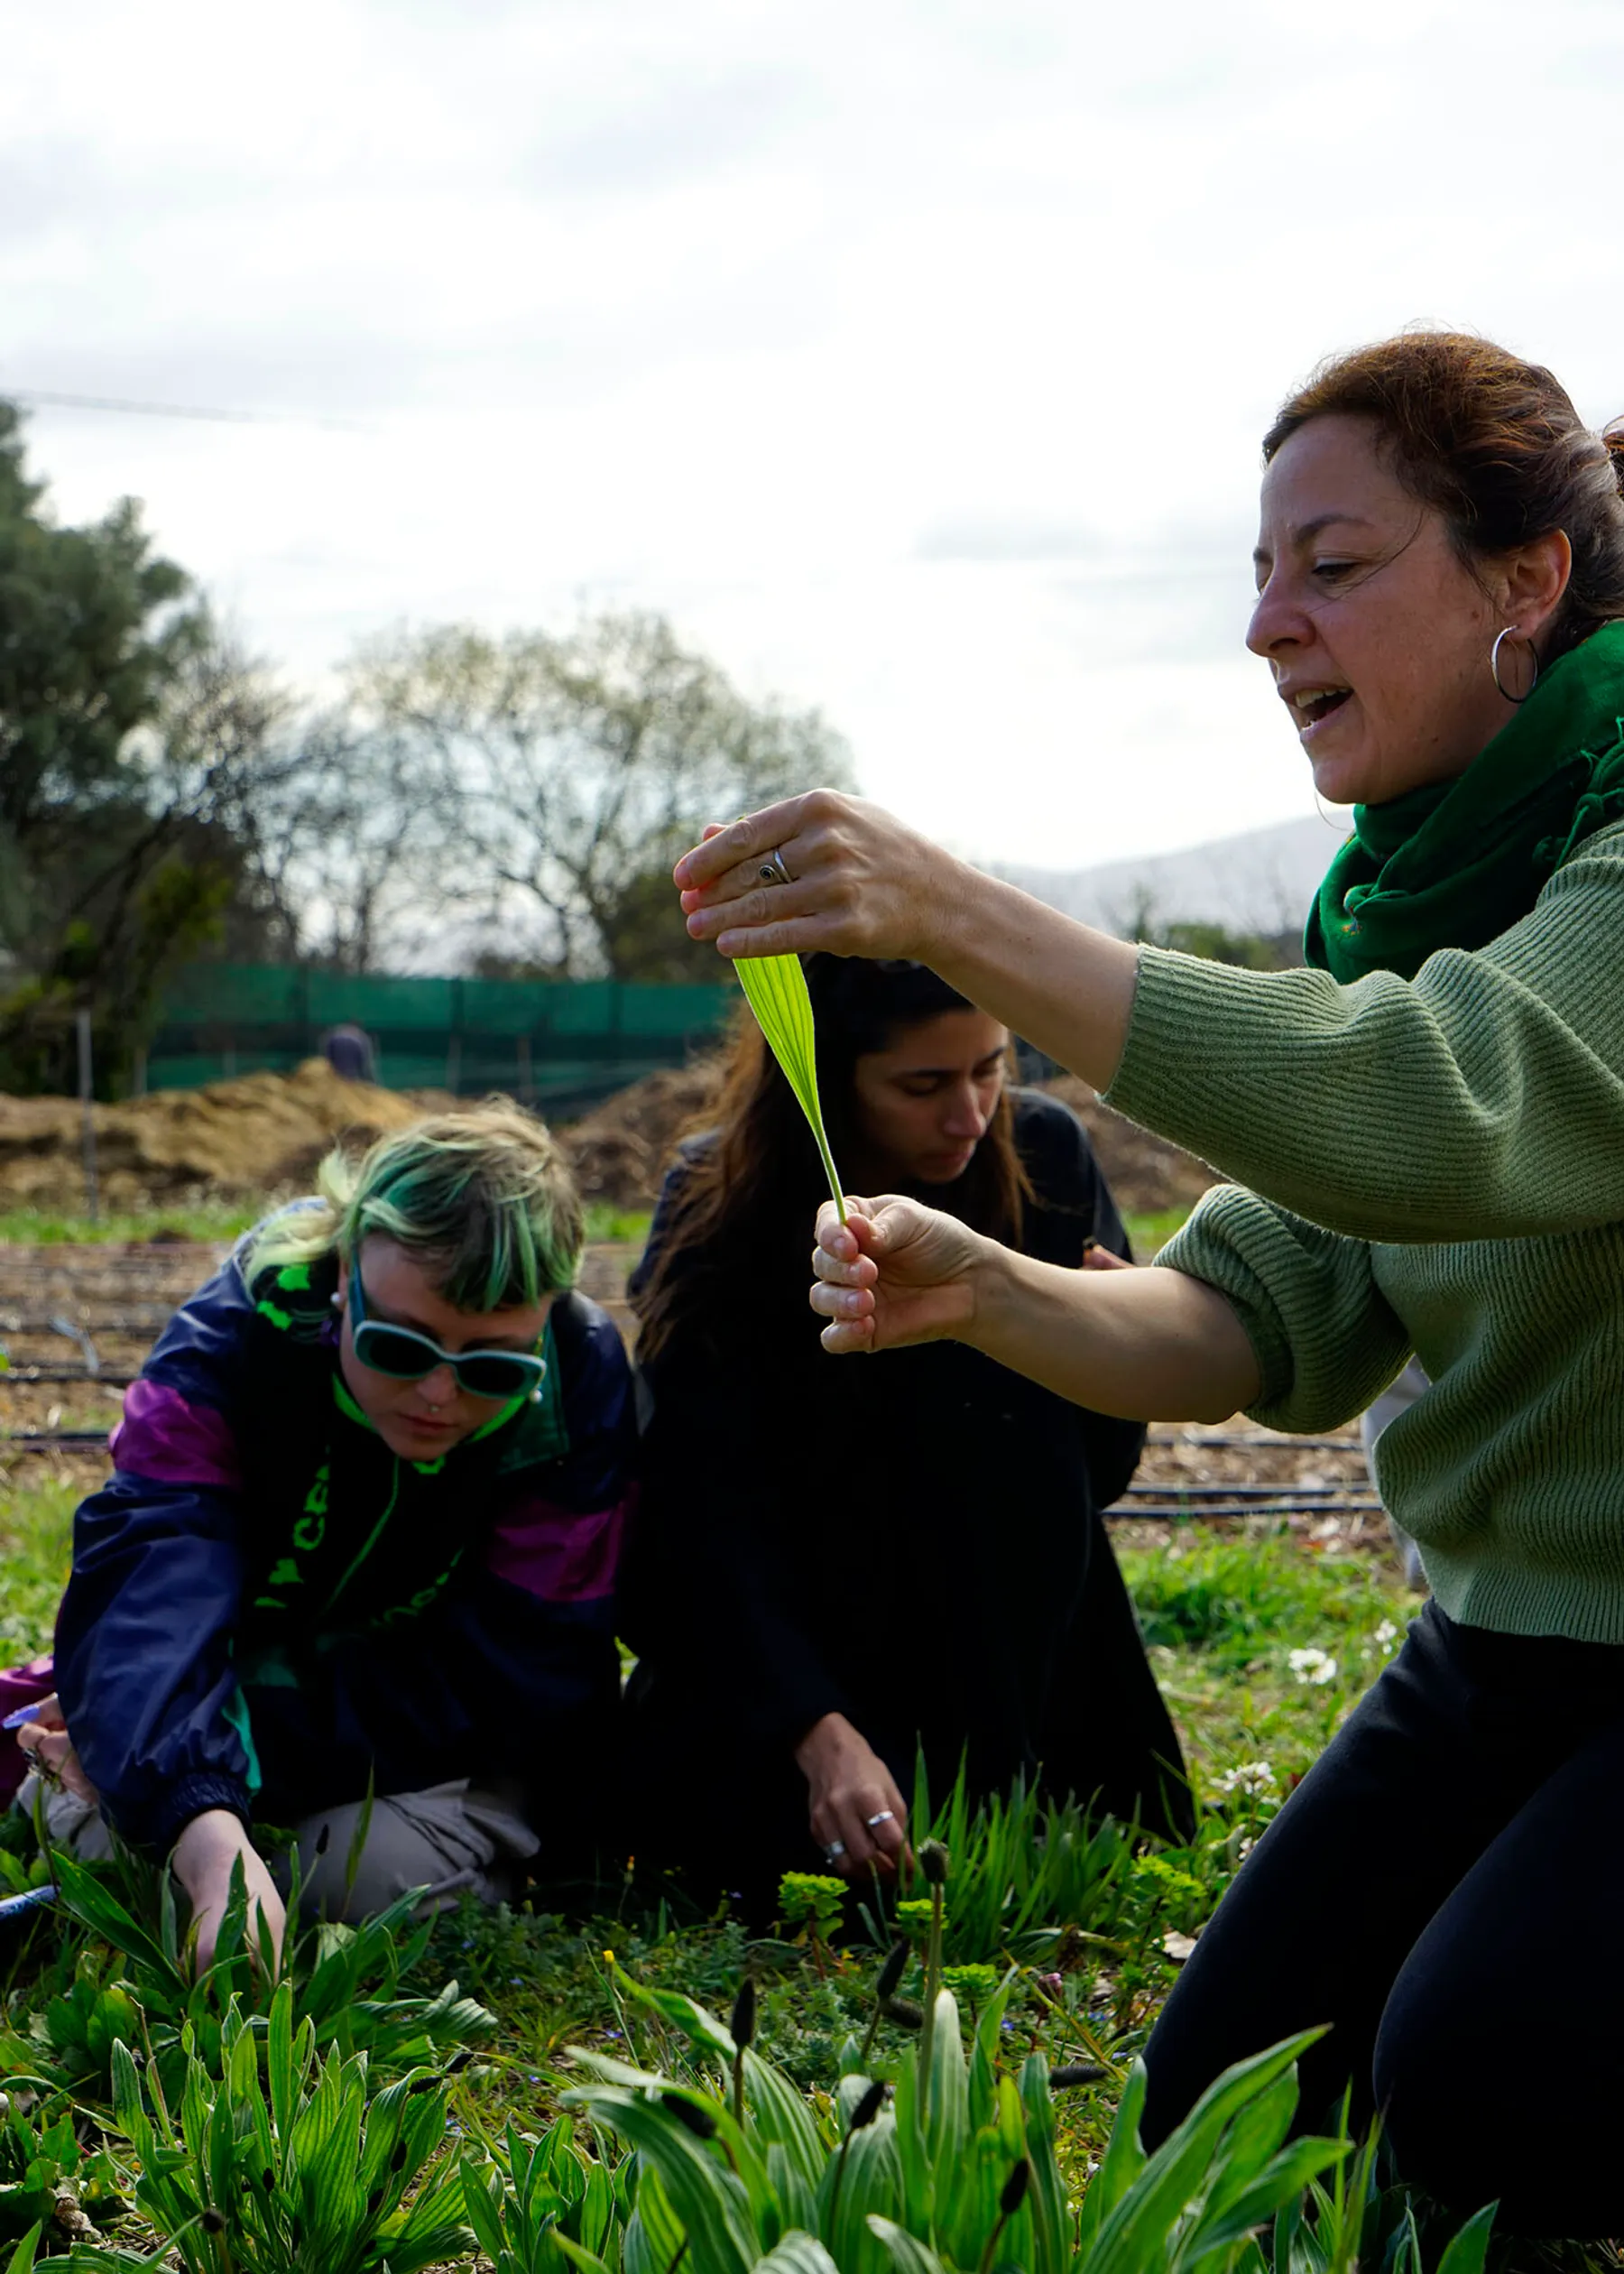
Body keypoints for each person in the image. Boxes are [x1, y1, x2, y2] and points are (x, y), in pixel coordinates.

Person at [669, 335, 1624, 2236]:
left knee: (1484, 2084)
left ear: (1527, 580)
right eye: (1262, 577)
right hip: (1516, 1646)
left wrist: (957, 916)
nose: (1269, 627)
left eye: (1332, 565)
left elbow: (1427, 1105)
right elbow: (1257, 1310)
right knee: (1227, 2100)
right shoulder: (1418, 903)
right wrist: (989, 1289)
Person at [619, 956, 1192, 1917]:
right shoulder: (728, 1197)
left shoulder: (1043, 1155)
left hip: (1018, 1655)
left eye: (992, 1069)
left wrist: (1117, 1336)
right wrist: (813, 1728)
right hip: (796, 1650)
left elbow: (1095, 1468)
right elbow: (691, 1509)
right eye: (923, 1086)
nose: (970, 1116)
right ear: (832, 1077)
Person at [19, 1101, 633, 1968]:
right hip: (237, 1693)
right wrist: (205, 1819)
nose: (438, 1395)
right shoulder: (241, 1334)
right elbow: (151, 1576)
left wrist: (215, 1759)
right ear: (344, 1275)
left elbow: (517, 1675)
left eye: (492, 1366)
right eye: (398, 1345)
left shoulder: (579, 1377)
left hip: (429, 1750)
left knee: (355, 1878)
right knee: (95, 1832)